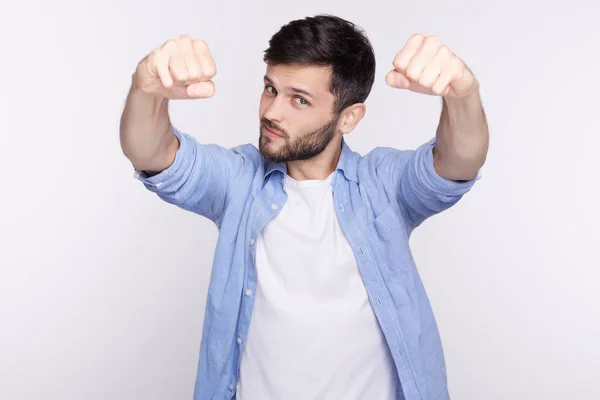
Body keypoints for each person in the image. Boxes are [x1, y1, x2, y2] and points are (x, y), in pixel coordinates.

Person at [119, 14, 488, 400]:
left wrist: (462, 96)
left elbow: (458, 163)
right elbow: (152, 153)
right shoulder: (239, 180)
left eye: (299, 99)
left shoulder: (382, 185)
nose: (272, 112)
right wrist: (147, 92)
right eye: (270, 89)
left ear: (349, 117)